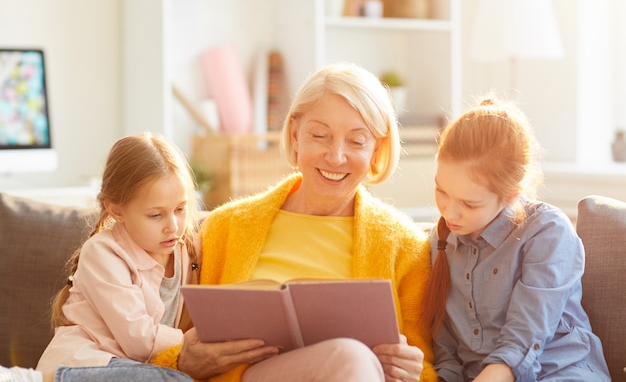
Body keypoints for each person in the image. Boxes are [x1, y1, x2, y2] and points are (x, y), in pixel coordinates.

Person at [152, 61, 436, 382]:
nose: (336, 156)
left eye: (357, 141)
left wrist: (412, 373)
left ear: (376, 150)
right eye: (320, 135)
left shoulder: (406, 248)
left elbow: (424, 368)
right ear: (295, 134)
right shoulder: (224, 228)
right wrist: (184, 360)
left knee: (352, 359)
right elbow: (167, 344)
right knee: (350, 356)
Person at [423, 97, 611, 382]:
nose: (449, 212)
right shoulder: (441, 240)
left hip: (560, 371)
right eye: (441, 191)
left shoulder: (547, 232)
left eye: (470, 204)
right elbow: (447, 355)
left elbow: (521, 344)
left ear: (510, 195)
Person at [31, 132, 202, 382]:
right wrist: (191, 340)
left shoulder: (189, 250)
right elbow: (139, 341)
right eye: (156, 215)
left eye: (180, 209)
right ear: (116, 210)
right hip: (82, 365)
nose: (173, 226)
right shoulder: (102, 253)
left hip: (139, 369)